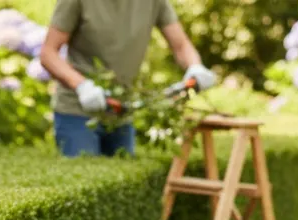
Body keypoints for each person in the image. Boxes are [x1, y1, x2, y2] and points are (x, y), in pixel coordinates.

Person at [40, 0, 214, 158]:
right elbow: (48, 54)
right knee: (84, 177)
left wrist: (195, 67)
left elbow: (181, 44)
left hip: (122, 111)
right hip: (77, 111)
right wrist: (82, 86)